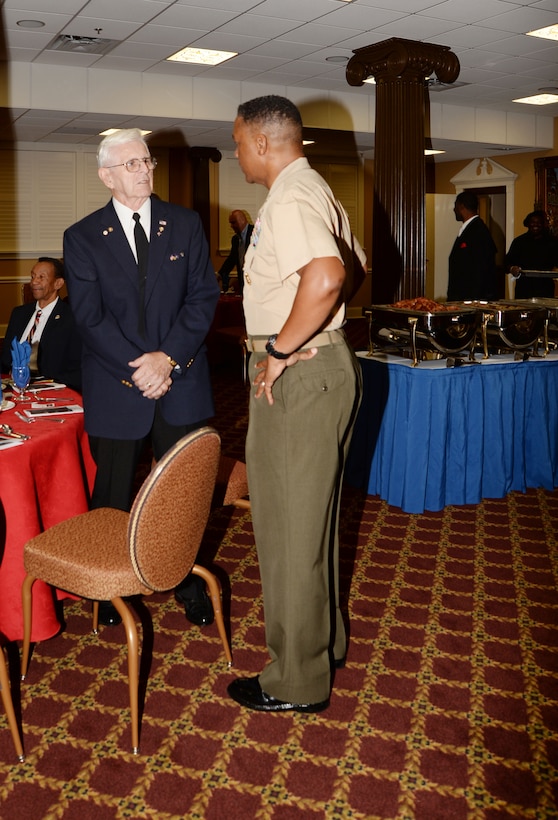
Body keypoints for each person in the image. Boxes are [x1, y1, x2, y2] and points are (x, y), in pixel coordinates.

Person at [226, 95, 366, 713]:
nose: (234, 153)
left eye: (236, 143)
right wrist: (319, 331)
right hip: (325, 363)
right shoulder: (314, 188)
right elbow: (355, 265)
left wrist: (281, 350)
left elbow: (330, 276)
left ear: (261, 141)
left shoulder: (288, 197)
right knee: (313, 521)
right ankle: (324, 644)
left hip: (299, 376)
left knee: (287, 529)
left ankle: (295, 680)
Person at [63, 128, 220, 628]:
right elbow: (89, 319)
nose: (146, 170)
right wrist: (142, 369)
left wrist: (167, 359)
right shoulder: (82, 236)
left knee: (183, 494)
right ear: (107, 176)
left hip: (181, 381)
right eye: (132, 164)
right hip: (117, 386)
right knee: (110, 493)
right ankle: (110, 591)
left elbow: (203, 298)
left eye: (147, 161)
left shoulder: (185, 223)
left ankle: (186, 580)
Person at [1, 257, 82, 391]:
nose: (34, 282)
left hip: (51, 389)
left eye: (41, 277)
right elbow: (5, 359)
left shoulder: (71, 318)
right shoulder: (19, 314)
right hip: (11, 387)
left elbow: (76, 369)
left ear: (58, 283)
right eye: (33, 276)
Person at [447, 191, 499, 302]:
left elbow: (480, 270)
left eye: (455, 206)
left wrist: (473, 302)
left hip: (471, 300)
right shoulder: (471, 228)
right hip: (463, 299)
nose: (453, 210)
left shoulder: (478, 231)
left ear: (461, 206)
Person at [505, 210, 558, 299]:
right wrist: (512, 268)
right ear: (528, 224)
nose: (535, 225)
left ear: (543, 224)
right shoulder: (519, 242)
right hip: (523, 289)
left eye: (539, 223)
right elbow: (506, 262)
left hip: (545, 290)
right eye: (533, 222)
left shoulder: (552, 242)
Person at [218, 209, 253, 293]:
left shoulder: (255, 233)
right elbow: (232, 259)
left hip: (256, 283)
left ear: (242, 220)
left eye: (233, 222)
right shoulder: (235, 239)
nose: (231, 226)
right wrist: (220, 274)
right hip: (243, 284)